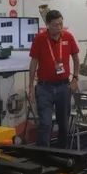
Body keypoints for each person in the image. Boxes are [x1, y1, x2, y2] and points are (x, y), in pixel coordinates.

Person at [28, 10, 80, 148]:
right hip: (44, 88)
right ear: (48, 25)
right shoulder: (40, 39)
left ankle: (62, 153)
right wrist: (30, 87)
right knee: (45, 123)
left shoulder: (68, 37)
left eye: (61, 24)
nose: (59, 27)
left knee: (63, 124)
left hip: (64, 87)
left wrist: (75, 78)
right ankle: (44, 155)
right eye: (55, 25)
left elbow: (76, 59)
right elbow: (33, 63)